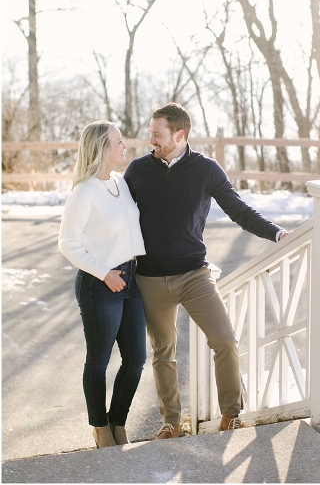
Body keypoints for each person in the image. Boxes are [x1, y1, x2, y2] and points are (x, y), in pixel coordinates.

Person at [123, 102, 289, 439]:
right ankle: (171, 422)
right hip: (150, 277)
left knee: (225, 341)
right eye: (151, 132)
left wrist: (276, 233)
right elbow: (118, 219)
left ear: (179, 134)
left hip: (193, 275)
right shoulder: (138, 170)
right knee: (162, 352)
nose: (150, 139)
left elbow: (239, 210)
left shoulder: (206, 169)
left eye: (158, 134)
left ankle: (231, 416)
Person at [58, 121, 147, 448]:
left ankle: (117, 420)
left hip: (130, 280)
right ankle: (100, 428)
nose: (124, 147)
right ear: (101, 149)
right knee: (99, 360)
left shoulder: (119, 182)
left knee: (136, 358)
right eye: (118, 142)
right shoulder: (83, 192)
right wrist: (104, 272)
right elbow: (67, 243)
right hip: (100, 285)